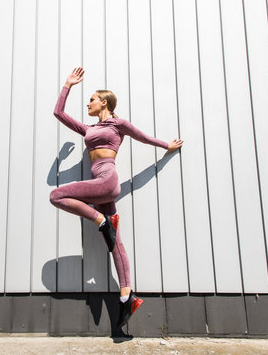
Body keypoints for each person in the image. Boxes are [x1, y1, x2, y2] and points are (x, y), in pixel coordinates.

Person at [49, 67, 183, 328]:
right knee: (116, 245)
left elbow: (142, 137)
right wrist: (67, 85)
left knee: (56, 195)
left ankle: (100, 220)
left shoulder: (117, 124)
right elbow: (59, 113)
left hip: (107, 181)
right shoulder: (87, 129)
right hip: (100, 190)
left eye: (92, 99)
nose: (88, 103)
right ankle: (126, 297)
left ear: (105, 102)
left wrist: (166, 145)